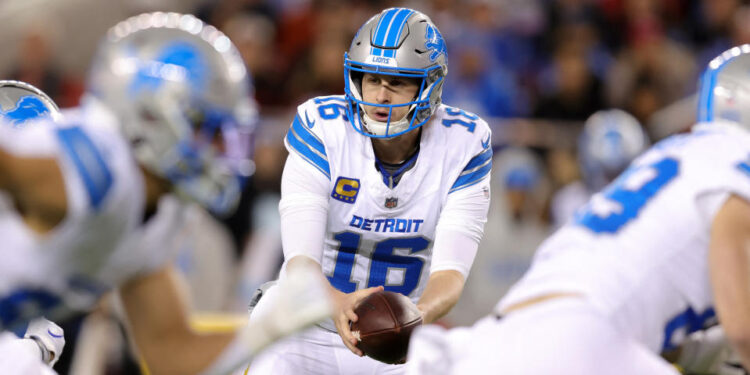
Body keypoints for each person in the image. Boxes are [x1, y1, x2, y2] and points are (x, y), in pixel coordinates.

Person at [0, 12, 330, 375]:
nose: (218, 148)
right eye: (204, 127)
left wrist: (272, 326)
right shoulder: (95, 167)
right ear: (151, 116)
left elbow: (170, 352)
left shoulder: (156, 214)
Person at [405, 44, 750, 375]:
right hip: (581, 340)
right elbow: (742, 330)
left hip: (504, 333)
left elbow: (632, 305)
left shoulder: (677, 154)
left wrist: (698, 351)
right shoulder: (733, 168)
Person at [247, 7, 492, 374]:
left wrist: (409, 320)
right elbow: (301, 263)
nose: (380, 95)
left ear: (431, 85)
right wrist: (337, 303)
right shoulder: (323, 129)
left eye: (398, 82)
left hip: (393, 345)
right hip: (306, 320)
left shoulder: (464, 143)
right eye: (371, 78)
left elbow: (450, 276)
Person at [550, 109, 649, 228]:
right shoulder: (569, 201)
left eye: (620, 173)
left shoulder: (652, 201)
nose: (614, 184)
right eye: (609, 175)